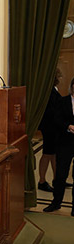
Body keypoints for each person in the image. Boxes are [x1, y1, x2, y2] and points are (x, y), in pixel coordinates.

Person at [44, 76, 74, 216]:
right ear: (72, 87)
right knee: (61, 174)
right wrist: (68, 126)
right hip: (65, 143)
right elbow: (56, 119)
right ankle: (56, 203)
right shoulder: (63, 101)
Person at [38, 71, 63, 193]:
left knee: (53, 154)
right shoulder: (49, 91)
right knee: (47, 154)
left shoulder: (53, 89)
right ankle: (42, 181)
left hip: (53, 127)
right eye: (59, 76)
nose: (60, 78)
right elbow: (51, 111)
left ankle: (56, 179)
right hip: (49, 127)